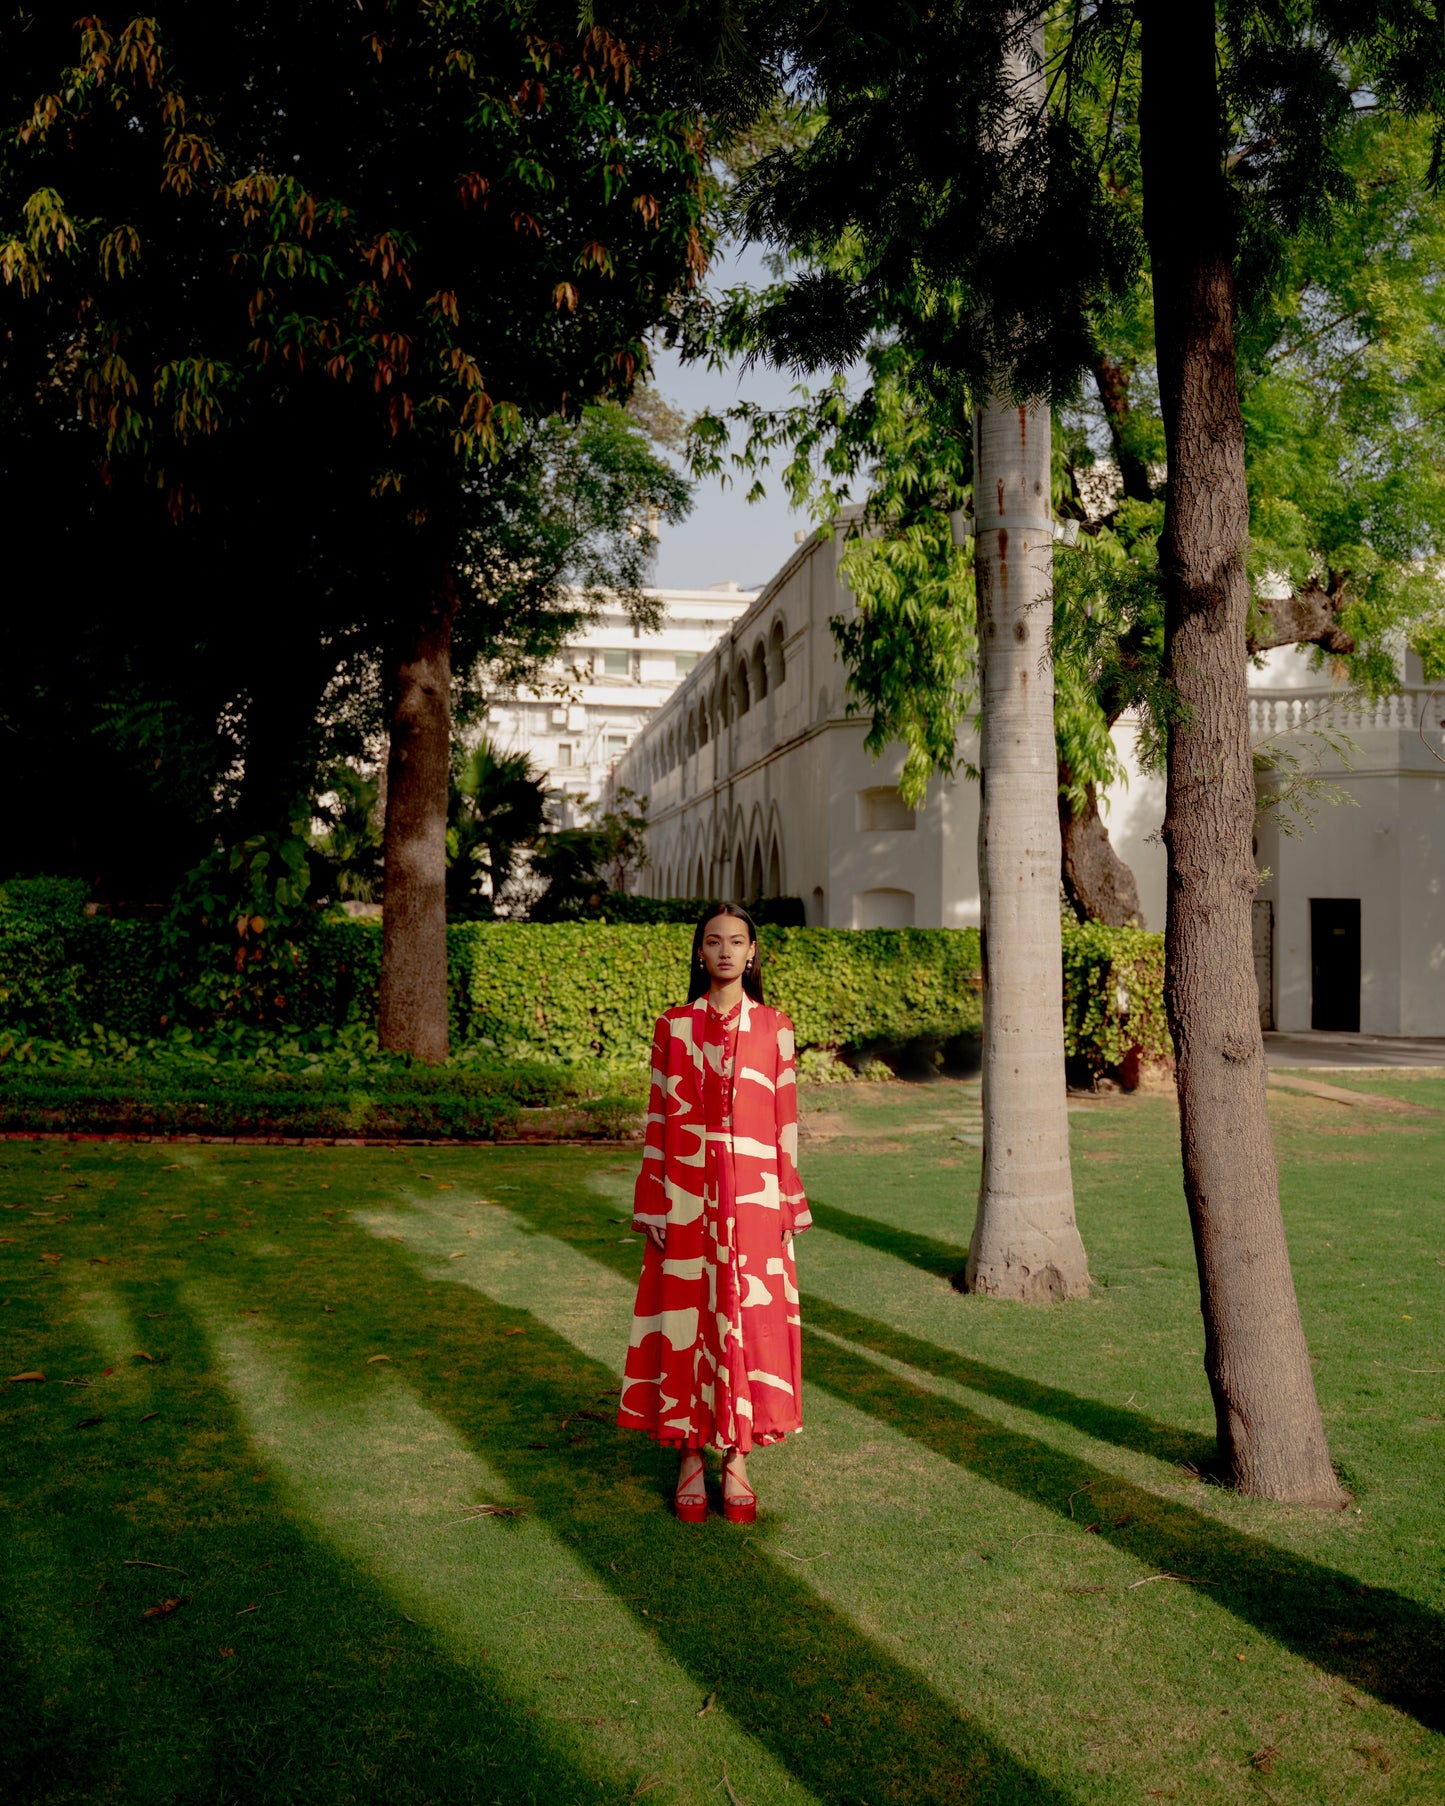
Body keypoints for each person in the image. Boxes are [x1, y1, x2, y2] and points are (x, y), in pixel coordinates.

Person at [616, 902, 811, 1523]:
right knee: (687, 1321)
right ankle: (688, 1458)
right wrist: (652, 1199)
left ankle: (738, 1461)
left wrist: (787, 1204)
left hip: (753, 1195)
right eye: (712, 941)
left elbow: (786, 1124)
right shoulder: (672, 1026)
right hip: (686, 1193)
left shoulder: (775, 1026)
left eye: (737, 942)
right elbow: (656, 1118)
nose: (725, 951)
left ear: (753, 953)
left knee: (747, 1319)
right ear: (699, 952)